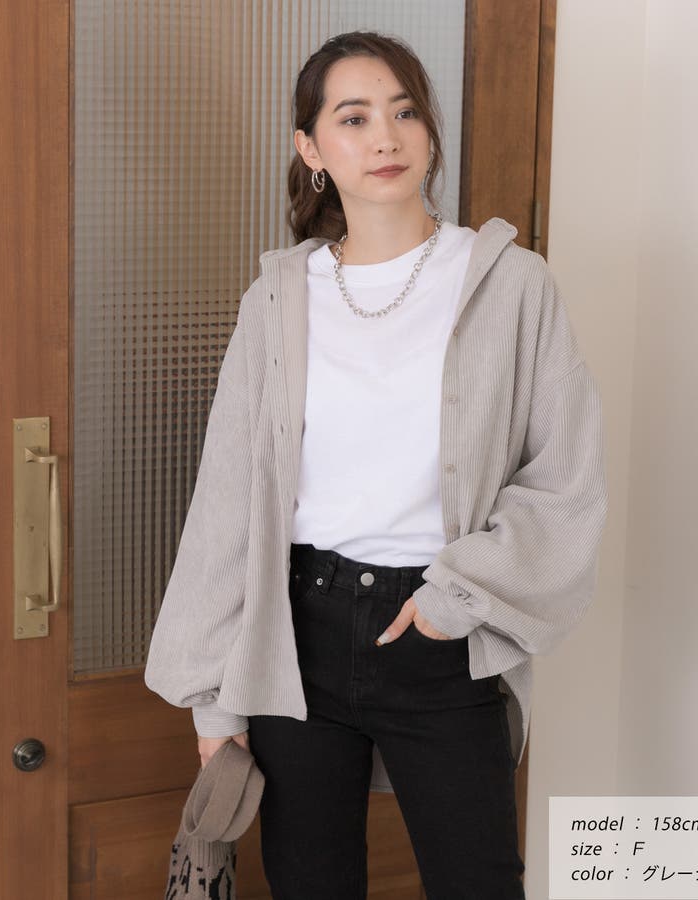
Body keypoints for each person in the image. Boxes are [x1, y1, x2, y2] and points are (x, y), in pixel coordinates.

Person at [145, 30, 607, 900]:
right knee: (309, 882)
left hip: (438, 628)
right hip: (295, 637)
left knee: (479, 882)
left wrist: (452, 602)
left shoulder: (511, 284)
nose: (386, 137)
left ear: (430, 131)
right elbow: (229, 500)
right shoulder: (278, 298)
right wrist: (215, 701)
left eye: (404, 113)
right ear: (311, 148)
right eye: (354, 118)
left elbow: (565, 478)